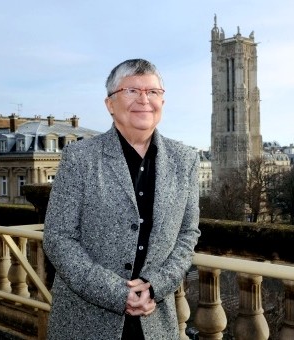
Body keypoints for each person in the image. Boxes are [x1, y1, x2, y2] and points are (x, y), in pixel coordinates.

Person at [43, 58, 200, 340]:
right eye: (131, 91)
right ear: (110, 104)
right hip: (86, 321)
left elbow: (188, 234)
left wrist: (155, 286)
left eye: (153, 92)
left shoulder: (185, 159)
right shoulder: (80, 158)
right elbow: (58, 237)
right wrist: (117, 293)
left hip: (155, 323)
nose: (144, 99)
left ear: (162, 102)